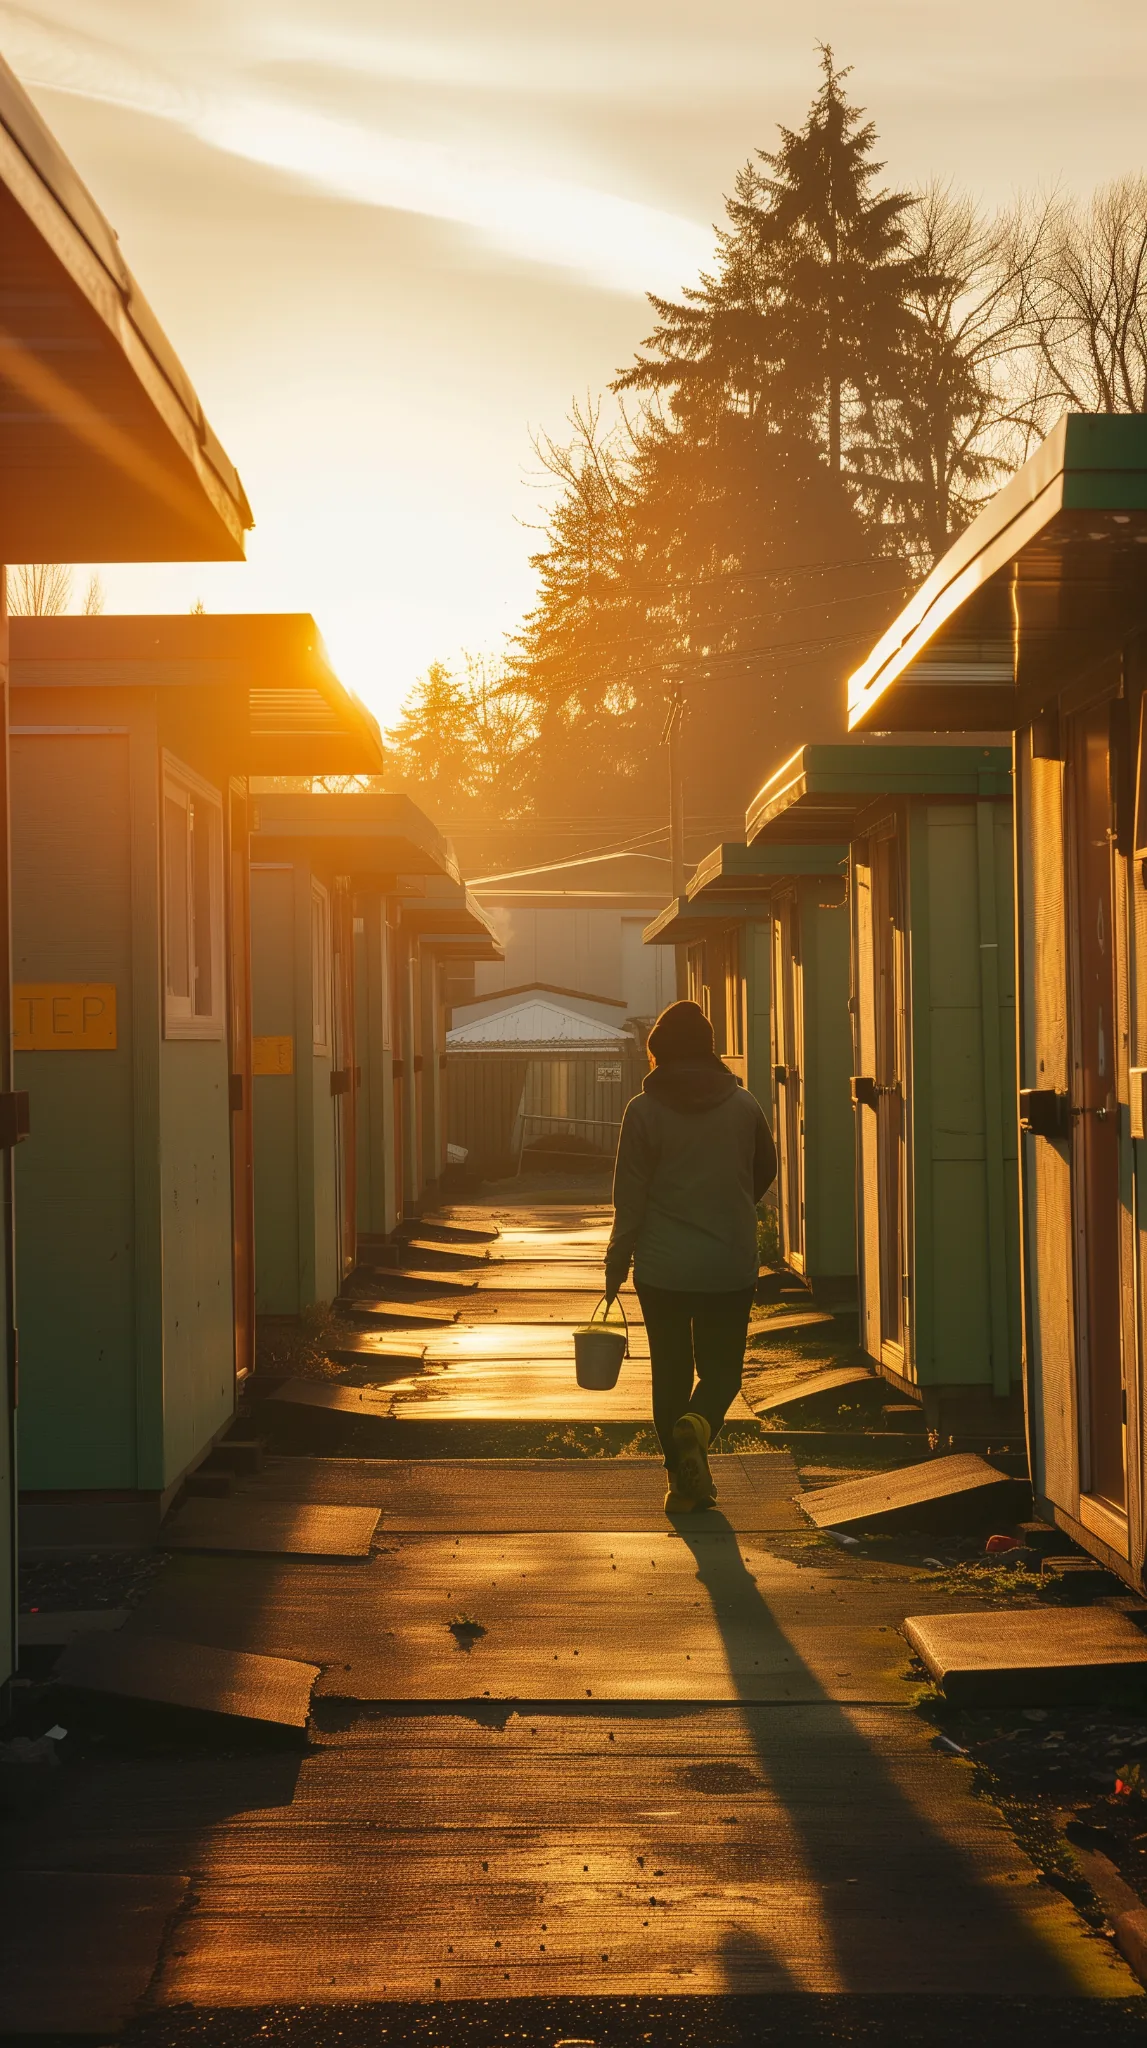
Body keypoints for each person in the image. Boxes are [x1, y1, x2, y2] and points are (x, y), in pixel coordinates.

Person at [604, 998, 777, 1514]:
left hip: (662, 1269)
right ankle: (699, 1425)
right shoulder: (744, 1106)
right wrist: (729, 1208)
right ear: (710, 1050)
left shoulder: (642, 1111)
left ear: (657, 1054)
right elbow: (762, 1170)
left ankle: (682, 1484)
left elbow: (629, 1195)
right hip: (728, 1263)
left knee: (671, 1375)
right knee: (722, 1373)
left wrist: (616, 1262)